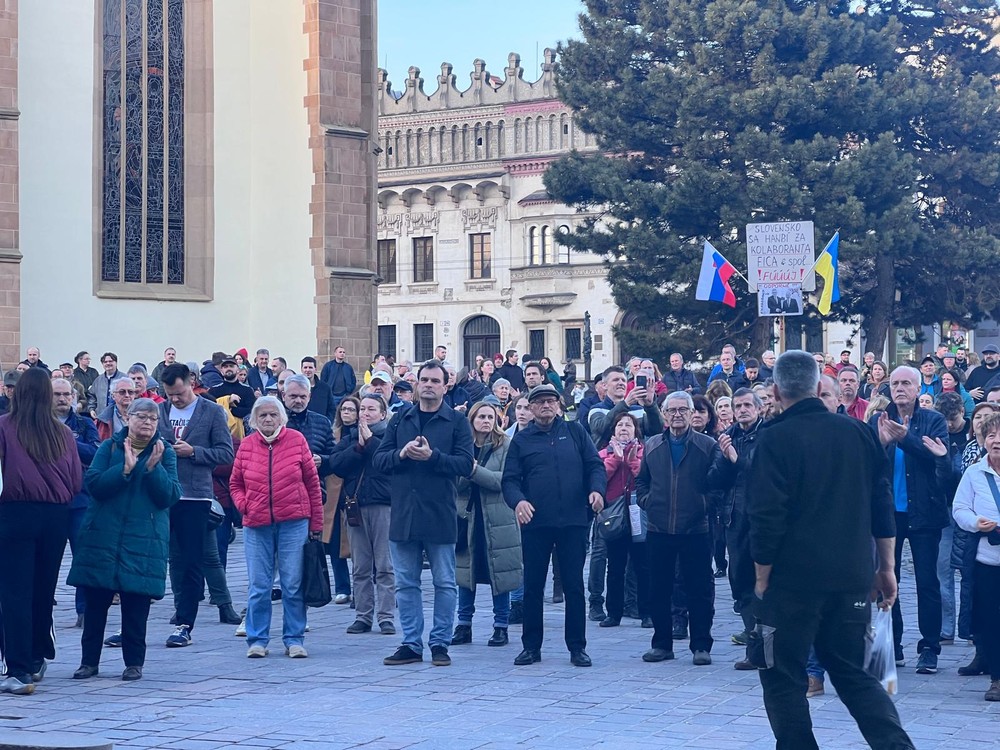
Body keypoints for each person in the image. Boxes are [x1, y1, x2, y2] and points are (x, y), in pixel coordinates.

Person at [747, 350, 914, 750]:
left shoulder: (772, 439)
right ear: (820, 386)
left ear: (774, 391)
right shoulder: (857, 433)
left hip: (790, 583)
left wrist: (761, 580)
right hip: (851, 576)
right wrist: (887, 568)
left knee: (781, 675)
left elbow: (766, 517)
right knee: (854, 672)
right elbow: (881, 504)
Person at [69, 399, 181, 682]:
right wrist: (126, 470)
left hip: (144, 540)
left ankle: (134, 663)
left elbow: (169, 496)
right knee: (95, 605)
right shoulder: (110, 447)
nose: (147, 422)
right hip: (103, 537)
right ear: (128, 419)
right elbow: (93, 485)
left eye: (152, 418)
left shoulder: (163, 452)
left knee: (135, 607)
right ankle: (88, 662)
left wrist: (152, 469)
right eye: (141, 416)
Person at [373, 360, 474, 667]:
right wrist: (401, 454)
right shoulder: (400, 419)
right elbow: (379, 460)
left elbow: (465, 464)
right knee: (406, 583)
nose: (428, 385)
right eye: (424, 380)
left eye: (435, 380)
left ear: (446, 386)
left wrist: (433, 457)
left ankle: (440, 643)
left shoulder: (457, 423)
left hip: (440, 512)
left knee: (444, 582)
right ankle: (411, 643)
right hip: (404, 512)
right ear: (416, 384)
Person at [503, 384, 606, 667]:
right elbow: (509, 480)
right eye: (539, 402)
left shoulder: (575, 432)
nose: (545, 406)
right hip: (536, 522)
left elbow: (595, 465)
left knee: (573, 586)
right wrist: (519, 502)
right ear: (531, 408)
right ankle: (531, 647)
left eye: (550, 401)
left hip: (573, 521)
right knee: (533, 587)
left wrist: (597, 490)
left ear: (559, 405)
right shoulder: (522, 440)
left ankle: (577, 647)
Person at [0, 368, 83, 694]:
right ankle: (35, 658)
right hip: (56, 516)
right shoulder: (62, 434)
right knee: (42, 589)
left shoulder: (5, 427)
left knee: (14, 593)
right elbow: (76, 480)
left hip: (16, 513)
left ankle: (18, 669)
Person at [637, 391, 734, 666]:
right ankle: (662, 644)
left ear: (693, 414)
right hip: (659, 527)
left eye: (683, 410)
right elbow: (642, 481)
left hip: (696, 529)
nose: (677, 415)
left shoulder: (707, 445)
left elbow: (718, 484)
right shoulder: (653, 444)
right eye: (672, 410)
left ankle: (701, 645)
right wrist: (648, 502)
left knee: (699, 589)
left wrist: (703, 505)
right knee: (659, 589)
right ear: (664, 415)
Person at [870, 365, 949, 673]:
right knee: (889, 581)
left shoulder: (934, 420)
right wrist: (883, 441)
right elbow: (871, 461)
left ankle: (930, 647)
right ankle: (895, 643)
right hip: (889, 514)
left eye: (906, 383)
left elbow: (938, 461)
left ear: (919, 389)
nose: (900, 388)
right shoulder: (881, 419)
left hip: (925, 513)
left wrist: (906, 439)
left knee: (928, 582)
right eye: (895, 383)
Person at [231, 397, 323, 658]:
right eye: (262, 416)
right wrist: (244, 505)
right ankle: (257, 639)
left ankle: (294, 638)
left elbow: (312, 485)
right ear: (254, 420)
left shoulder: (296, 441)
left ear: (282, 417)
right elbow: (235, 483)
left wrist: (316, 524)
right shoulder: (247, 445)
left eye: (273, 414)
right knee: (259, 585)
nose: (268, 419)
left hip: (294, 522)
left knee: (292, 584)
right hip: (256, 524)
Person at [157, 364, 236, 647]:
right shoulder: (160, 411)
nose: (174, 400)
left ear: (191, 382)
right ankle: (179, 609)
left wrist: (194, 452)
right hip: (162, 494)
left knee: (193, 559)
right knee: (170, 560)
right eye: (169, 395)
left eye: (178, 393)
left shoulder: (212, 411)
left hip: (196, 495)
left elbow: (226, 453)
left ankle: (185, 623)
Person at [452, 402, 519, 648]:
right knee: (465, 573)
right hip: (467, 517)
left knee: (499, 574)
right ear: (472, 420)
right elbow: (454, 481)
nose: (486, 421)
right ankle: (463, 625)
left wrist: (474, 472)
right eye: (481, 416)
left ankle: (501, 626)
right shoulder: (462, 447)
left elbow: (504, 480)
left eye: (490, 416)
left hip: (498, 518)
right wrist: (469, 471)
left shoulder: (506, 445)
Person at [330, 394, 395, 636]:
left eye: (371, 409)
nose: (365, 413)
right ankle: (363, 616)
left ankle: (386, 617)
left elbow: (389, 462)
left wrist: (370, 444)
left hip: (384, 507)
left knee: (386, 565)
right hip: (355, 507)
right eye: (363, 409)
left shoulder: (390, 437)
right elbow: (336, 464)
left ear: (382, 413)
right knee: (360, 566)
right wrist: (358, 447)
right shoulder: (349, 438)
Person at [282, 374, 346, 604]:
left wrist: (324, 460)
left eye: (302, 396)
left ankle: (301, 602)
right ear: (283, 396)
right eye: (293, 396)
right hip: (279, 495)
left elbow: (334, 456)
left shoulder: (320, 422)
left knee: (304, 552)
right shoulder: (275, 419)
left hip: (311, 495)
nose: (297, 401)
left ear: (309, 397)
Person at [952, 411, 1000, 701]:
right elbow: (959, 509)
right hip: (986, 560)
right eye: (992, 435)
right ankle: (997, 678)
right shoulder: (974, 473)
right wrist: (975, 523)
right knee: (990, 622)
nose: (997, 441)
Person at [715, 388, 763, 665]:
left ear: (758, 408)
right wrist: (724, 458)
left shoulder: (768, 435)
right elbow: (714, 480)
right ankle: (752, 647)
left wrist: (735, 458)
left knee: (763, 586)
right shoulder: (728, 436)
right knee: (740, 580)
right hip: (734, 519)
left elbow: (762, 472)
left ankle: (766, 652)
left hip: (762, 519)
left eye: (747, 405)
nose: (742, 410)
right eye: (738, 405)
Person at [53, 378, 101, 629]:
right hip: (50, 501)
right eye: (57, 394)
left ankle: (84, 609)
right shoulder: (40, 424)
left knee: (82, 557)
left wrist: (69, 441)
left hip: (79, 499)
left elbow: (95, 452)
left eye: (65, 394)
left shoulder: (83, 423)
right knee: (47, 556)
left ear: (73, 397)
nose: (62, 399)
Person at [598, 413, 650, 629]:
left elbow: (646, 475)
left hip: (639, 513)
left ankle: (647, 612)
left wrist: (632, 462)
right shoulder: (603, 453)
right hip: (615, 516)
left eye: (629, 425)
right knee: (615, 566)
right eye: (620, 425)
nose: (624, 428)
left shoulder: (644, 452)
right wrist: (616, 459)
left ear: (636, 430)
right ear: (613, 430)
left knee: (643, 566)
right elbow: (600, 477)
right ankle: (613, 613)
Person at [588, 365, 663, 450]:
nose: (621, 383)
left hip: (635, 460)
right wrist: (625, 404)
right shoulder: (596, 409)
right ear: (604, 385)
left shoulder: (638, 410)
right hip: (606, 460)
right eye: (615, 380)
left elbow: (656, 430)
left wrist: (650, 405)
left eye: (623, 380)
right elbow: (602, 429)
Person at [208, 355, 256, 420]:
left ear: (237, 369)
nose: (228, 368)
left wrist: (232, 409)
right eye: (225, 367)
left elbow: (252, 411)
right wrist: (228, 400)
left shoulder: (247, 390)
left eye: (231, 366)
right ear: (221, 371)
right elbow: (210, 410)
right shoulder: (213, 391)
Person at [300, 356, 336, 423]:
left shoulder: (325, 388)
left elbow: (332, 408)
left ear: (315, 369)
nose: (308, 370)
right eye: (305, 367)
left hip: (321, 426)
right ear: (301, 369)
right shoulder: (297, 387)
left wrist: (328, 422)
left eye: (310, 367)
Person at [88, 352, 122, 418]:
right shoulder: (98, 380)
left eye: (110, 361)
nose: (108, 363)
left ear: (116, 363)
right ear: (102, 364)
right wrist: (91, 409)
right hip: (101, 417)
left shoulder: (124, 379)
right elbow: (91, 395)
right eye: (105, 362)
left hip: (119, 417)